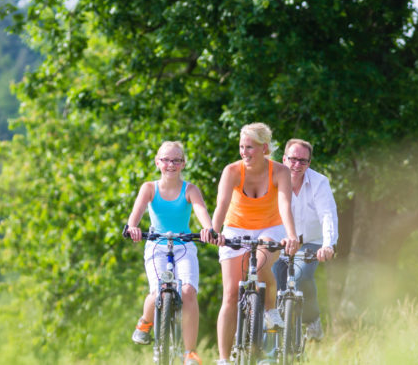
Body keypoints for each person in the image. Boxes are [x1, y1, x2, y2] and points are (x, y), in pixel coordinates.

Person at [202, 123, 301, 364]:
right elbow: (221, 205)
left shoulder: (279, 171)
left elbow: (285, 205)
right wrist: (214, 231)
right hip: (235, 227)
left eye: (250, 147)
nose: (244, 152)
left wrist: (291, 235)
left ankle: (269, 310)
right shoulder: (232, 171)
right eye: (241, 147)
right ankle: (224, 359)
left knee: (261, 262)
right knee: (230, 294)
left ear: (264, 148)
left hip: (270, 227)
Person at [126, 141, 213, 365]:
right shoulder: (149, 188)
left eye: (176, 160)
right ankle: (146, 321)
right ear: (158, 162)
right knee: (157, 291)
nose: (170, 164)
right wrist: (133, 227)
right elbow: (135, 215)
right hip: (157, 244)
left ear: (183, 163)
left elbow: (201, 211)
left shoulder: (190, 189)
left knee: (188, 292)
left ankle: (189, 352)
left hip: (183, 245)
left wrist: (207, 229)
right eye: (165, 160)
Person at [273, 138, 337, 341]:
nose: (297, 165)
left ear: (309, 163)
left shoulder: (319, 182)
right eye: (293, 159)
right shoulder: (272, 181)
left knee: (300, 277)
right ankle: (275, 339)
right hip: (281, 241)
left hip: (312, 241)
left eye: (303, 161)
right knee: (274, 284)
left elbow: (327, 214)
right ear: (284, 159)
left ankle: (312, 320)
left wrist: (328, 245)